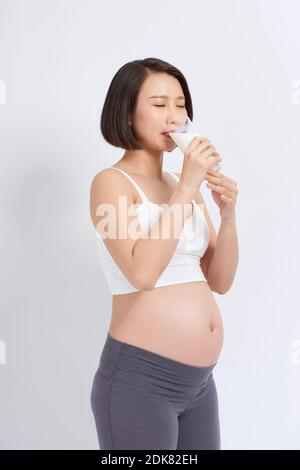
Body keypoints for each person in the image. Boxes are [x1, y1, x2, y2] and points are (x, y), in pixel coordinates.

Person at [89, 57, 239, 450]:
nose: (174, 116)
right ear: (127, 113)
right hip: (140, 380)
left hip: (201, 385)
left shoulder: (178, 182)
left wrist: (228, 215)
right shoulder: (110, 184)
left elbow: (219, 281)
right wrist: (188, 188)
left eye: (180, 105)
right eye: (159, 105)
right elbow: (142, 274)